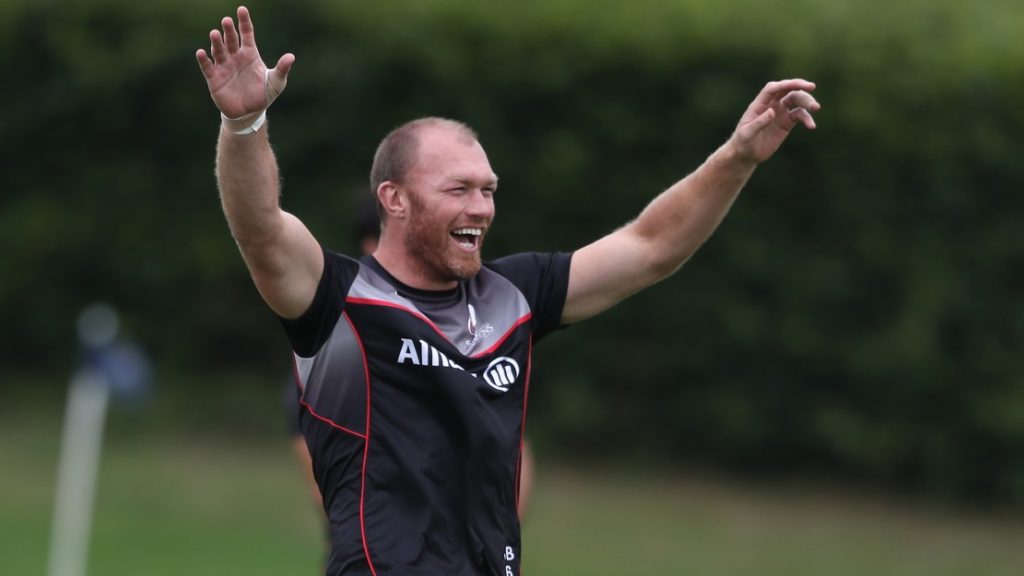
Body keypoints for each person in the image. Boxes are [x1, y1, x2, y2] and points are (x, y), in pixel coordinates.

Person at [196, 7, 819, 576]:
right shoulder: (339, 300)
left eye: (488, 189)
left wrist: (737, 157)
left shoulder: (514, 294)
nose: (481, 207)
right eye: (458, 189)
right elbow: (261, 229)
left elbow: (650, 247)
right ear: (394, 199)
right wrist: (244, 122)